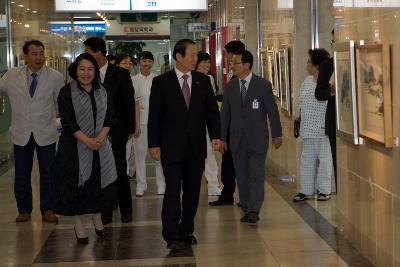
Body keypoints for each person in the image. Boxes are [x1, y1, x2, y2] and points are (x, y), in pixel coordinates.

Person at [148, 39, 221, 250]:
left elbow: (211, 112)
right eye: (192, 55)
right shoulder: (162, 82)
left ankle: (187, 229)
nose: (195, 59)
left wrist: (216, 135)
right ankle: (170, 233)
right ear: (178, 56)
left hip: (196, 147)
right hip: (170, 147)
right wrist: (154, 143)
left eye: (196, 55)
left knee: (192, 191)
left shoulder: (203, 81)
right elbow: (155, 116)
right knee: (173, 190)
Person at [54, 53, 118, 243]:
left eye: (90, 69)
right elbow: (68, 122)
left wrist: (99, 138)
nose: (86, 73)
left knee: (98, 185)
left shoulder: (103, 90)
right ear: (75, 71)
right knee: (77, 186)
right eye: (82, 69)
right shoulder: (66, 92)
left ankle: (97, 217)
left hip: (100, 147)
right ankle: (79, 224)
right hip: (74, 148)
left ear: (95, 71)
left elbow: (111, 117)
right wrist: (87, 140)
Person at [0, 40, 64, 223]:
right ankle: (24, 209)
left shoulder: (55, 77)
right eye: (34, 53)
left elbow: (61, 104)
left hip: (46, 131)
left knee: (48, 173)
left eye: (41, 53)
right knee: (21, 173)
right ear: (25, 56)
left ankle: (49, 209)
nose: (38, 57)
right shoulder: (12, 75)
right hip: (21, 132)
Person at [220, 50, 282, 224]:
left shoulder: (262, 85)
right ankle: (246, 206)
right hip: (237, 139)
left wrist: (277, 134)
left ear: (246, 65)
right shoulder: (231, 87)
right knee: (241, 175)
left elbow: (272, 111)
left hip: (257, 139)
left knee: (256, 174)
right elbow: (225, 114)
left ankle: (254, 209)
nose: (232, 66)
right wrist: (222, 137)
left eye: (235, 63)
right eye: (232, 63)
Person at [84, 37, 136, 224]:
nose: (85, 55)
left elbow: (129, 102)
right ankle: (106, 209)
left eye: (88, 51)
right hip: (94, 133)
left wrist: (131, 127)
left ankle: (126, 209)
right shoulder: (87, 74)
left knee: (119, 170)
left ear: (98, 52)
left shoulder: (120, 74)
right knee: (100, 172)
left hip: (117, 131)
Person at [294, 49, 333, 202]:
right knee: (307, 160)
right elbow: (301, 103)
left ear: (317, 65)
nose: (307, 64)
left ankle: (324, 190)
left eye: (309, 61)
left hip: (323, 129)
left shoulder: (328, 84)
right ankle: (305, 190)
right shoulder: (306, 81)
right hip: (308, 129)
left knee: (325, 160)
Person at [209, 40, 245, 206]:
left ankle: (241, 196)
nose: (225, 58)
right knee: (228, 162)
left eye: (227, 54)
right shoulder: (232, 76)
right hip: (230, 128)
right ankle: (227, 193)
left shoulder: (241, 78)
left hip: (237, 129)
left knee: (237, 163)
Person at [131, 51, 165, 196]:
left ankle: (161, 184)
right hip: (140, 123)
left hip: (157, 123)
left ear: (153, 63)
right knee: (139, 155)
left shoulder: (158, 79)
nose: (147, 64)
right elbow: (134, 104)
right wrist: (135, 124)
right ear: (140, 62)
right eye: (144, 61)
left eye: (150, 61)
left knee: (158, 155)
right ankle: (141, 185)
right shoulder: (133, 80)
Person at [195, 51, 221, 196]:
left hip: (206, 124)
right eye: (203, 61)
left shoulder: (209, 79)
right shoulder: (189, 78)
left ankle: (213, 185)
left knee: (210, 154)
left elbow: (212, 105)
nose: (207, 65)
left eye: (208, 62)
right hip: (193, 124)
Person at [315, 29, 337, 186]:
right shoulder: (327, 65)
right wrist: (331, 90)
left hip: (360, 126)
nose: (334, 44)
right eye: (333, 41)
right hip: (335, 123)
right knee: (338, 164)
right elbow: (319, 93)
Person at [114, 54, 140, 179]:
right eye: (125, 63)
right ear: (117, 65)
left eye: (130, 63)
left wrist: (135, 125)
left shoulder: (133, 80)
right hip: (117, 126)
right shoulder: (112, 81)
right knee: (122, 155)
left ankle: (126, 177)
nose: (128, 66)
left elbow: (136, 105)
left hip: (129, 125)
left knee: (130, 153)